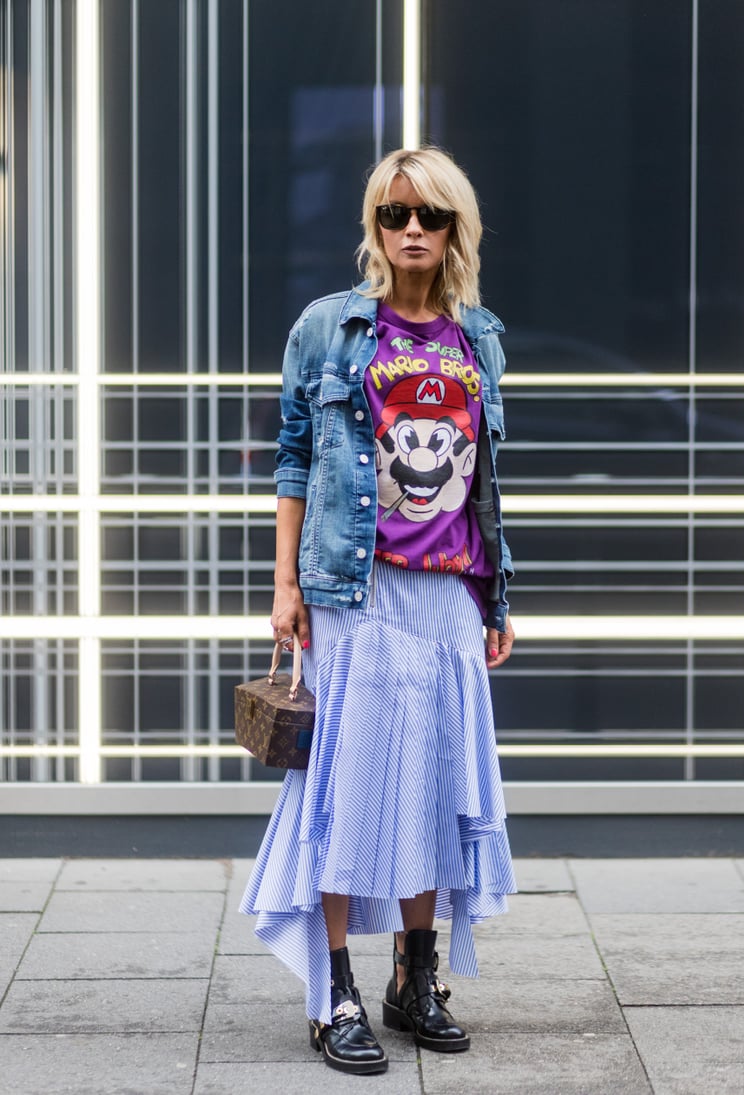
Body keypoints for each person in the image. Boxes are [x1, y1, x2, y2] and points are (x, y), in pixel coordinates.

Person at [240, 146, 516, 1075]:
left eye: (430, 217)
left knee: (437, 786)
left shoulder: (478, 337)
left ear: (453, 231)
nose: (411, 230)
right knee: (347, 795)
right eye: (396, 213)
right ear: (375, 223)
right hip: (354, 593)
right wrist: (285, 590)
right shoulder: (331, 328)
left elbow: (482, 481)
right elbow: (291, 459)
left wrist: (496, 593)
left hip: (448, 593)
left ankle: (415, 976)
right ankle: (336, 994)